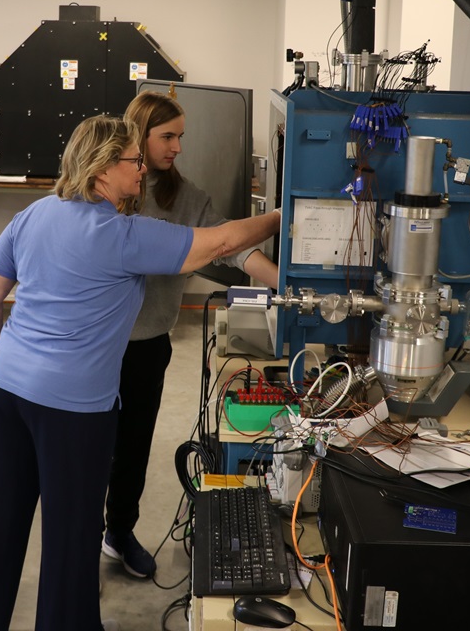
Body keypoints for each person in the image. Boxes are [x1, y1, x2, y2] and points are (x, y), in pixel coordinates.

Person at [0, 115, 280, 631]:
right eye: (133, 161)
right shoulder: (120, 234)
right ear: (101, 169)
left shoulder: (34, 214)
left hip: (8, 390)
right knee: (71, 537)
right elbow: (221, 243)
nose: (142, 170)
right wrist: (281, 214)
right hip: (73, 410)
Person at [101, 90, 280, 578]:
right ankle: (77, 553)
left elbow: (232, 248)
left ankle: (118, 532)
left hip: (148, 345)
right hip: (96, 348)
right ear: (138, 134)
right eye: (167, 136)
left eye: (181, 136)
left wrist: (288, 282)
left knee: (134, 447)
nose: (177, 146)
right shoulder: (107, 193)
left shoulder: (185, 197)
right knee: (93, 450)